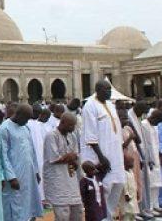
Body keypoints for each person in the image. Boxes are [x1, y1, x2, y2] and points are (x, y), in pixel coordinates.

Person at [81, 80, 125, 220]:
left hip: (116, 156)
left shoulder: (110, 105)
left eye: (110, 90)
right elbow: (90, 135)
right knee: (103, 190)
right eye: (106, 90)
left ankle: (109, 218)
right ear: (97, 90)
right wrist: (101, 157)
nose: (109, 92)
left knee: (118, 185)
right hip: (100, 157)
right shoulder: (90, 106)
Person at [0, 104, 42, 221]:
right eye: (26, 118)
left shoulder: (25, 128)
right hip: (14, 176)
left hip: (28, 174)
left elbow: (31, 151)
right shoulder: (5, 128)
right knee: (15, 206)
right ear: (18, 115)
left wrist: (36, 171)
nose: (27, 121)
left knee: (28, 205)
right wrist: (11, 177)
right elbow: (3, 155)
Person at [43, 113, 82, 221]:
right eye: (70, 125)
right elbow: (54, 158)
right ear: (62, 122)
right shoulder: (51, 136)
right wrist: (70, 157)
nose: (73, 128)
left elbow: (75, 155)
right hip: (58, 179)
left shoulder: (72, 136)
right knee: (62, 215)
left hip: (71, 179)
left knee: (77, 212)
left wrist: (71, 157)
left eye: (74, 125)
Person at [27, 106, 51, 202]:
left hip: (40, 154)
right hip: (32, 154)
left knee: (41, 174)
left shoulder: (40, 125)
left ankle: (41, 198)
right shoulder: (27, 124)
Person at [140, 107, 162, 214]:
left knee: (157, 182)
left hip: (156, 155)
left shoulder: (154, 126)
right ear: (153, 117)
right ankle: (150, 207)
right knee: (151, 183)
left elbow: (156, 143)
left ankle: (156, 204)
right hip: (149, 157)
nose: (158, 123)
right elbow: (145, 144)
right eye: (157, 121)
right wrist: (148, 158)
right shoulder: (144, 125)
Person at [119, 153, 138, 221]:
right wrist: (126, 194)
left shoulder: (131, 172)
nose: (133, 164)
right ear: (125, 163)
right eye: (131, 162)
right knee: (127, 215)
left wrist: (137, 191)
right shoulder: (123, 173)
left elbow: (134, 183)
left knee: (133, 214)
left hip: (133, 196)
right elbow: (124, 185)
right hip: (127, 198)